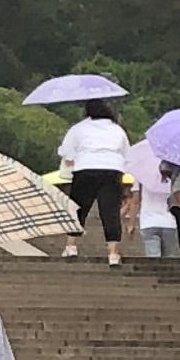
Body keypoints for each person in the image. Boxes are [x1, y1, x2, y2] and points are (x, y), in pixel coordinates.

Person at [59, 108, 132, 264]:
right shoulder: (117, 129)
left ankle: (71, 246)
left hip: (86, 168)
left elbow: (67, 153)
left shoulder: (78, 128)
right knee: (110, 211)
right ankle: (113, 253)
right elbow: (127, 155)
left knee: (79, 208)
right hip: (112, 170)